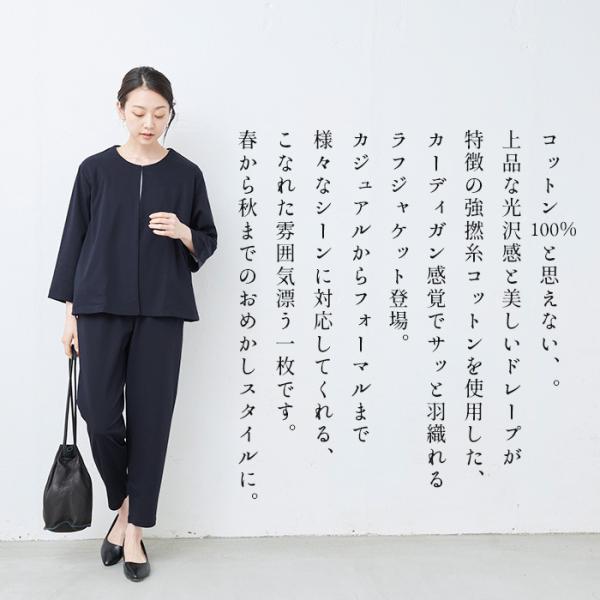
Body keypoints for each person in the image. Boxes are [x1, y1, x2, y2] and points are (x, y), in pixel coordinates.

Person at [47, 66, 218, 582]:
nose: (149, 123)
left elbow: (207, 239)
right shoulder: (94, 170)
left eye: (160, 114)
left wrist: (183, 231)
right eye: (139, 112)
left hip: (162, 311)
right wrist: (70, 315)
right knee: (98, 414)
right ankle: (125, 505)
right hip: (99, 308)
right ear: (120, 109)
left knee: (151, 421)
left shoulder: (186, 174)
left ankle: (135, 530)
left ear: (170, 114)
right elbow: (74, 241)